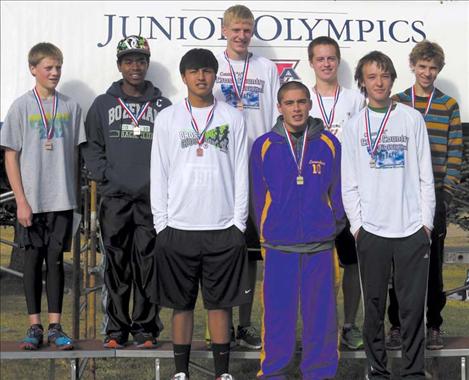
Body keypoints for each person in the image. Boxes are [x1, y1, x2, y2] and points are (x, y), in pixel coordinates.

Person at [150, 48, 250, 380]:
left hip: (222, 227)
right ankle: (181, 372)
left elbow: (240, 173)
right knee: (182, 305)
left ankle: (222, 373)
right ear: (184, 77)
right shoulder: (168, 119)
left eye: (207, 70)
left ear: (214, 75)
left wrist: (238, 223)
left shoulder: (233, 118)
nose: (201, 77)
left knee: (219, 304)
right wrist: (161, 225)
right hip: (178, 227)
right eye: (194, 71)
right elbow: (159, 173)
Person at [342, 51, 435, 379]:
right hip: (372, 232)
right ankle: (377, 371)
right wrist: (358, 227)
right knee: (374, 310)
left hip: (411, 230)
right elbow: (348, 183)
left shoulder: (411, 119)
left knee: (411, 311)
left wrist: (425, 224)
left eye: (384, 75)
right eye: (371, 77)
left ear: (392, 78)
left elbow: (426, 176)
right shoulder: (353, 126)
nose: (378, 82)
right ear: (362, 82)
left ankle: (413, 372)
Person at [251, 81, 344, 379]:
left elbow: (339, 193)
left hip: (320, 248)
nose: (296, 108)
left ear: (310, 105)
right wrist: (269, 231)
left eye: (302, 102)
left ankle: (320, 374)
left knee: (322, 320)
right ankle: (275, 373)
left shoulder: (329, 143)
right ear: (279, 107)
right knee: (278, 319)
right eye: (290, 103)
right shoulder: (264, 145)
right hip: (280, 249)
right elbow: (257, 197)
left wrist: (330, 225)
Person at [81, 35, 170, 349]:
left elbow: (171, 149)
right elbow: (92, 147)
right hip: (116, 199)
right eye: (129, 61)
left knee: (149, 264)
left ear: (147, 64)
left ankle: (145, 328)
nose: (136, 66)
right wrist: (105, 175)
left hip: (151, 200)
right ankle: (115, 330)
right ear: (119, 65)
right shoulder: (104, 104)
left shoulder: (162, 105)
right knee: (116, 264)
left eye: (141, 60)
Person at [2, 42, 85, 350]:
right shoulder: (21, 106)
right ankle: (33, 326)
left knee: (56, 261)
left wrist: (74, 199)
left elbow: (76, 155)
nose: (54, 73)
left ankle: (54, 326)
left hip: (62, 200)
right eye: (48, 68)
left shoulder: (70, 107)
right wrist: (21, 201)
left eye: (58, 67)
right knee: (33, 261)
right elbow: (11, 155)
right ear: (33, 69)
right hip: (31, 202)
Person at [385, 40, 463, 351]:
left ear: (438, 70)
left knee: (433, 266)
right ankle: (396, 324)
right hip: (401, 197)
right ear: (412, 66)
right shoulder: (397, 101)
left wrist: (445, 192)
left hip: (435, 197)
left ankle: (434, 326)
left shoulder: (448, 106)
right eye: (422, 67)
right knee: (398, 265)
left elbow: (455, 152)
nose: (427, 73)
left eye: (432, 68)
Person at [213, 4, 281, 350]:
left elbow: (275, 117)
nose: (241, 36)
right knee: (223, 250)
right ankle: (219, 322)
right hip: (222, 170)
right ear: (224, 30)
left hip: (258, 169)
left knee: (253, 253)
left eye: (247, 30)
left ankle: (246, 324)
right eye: (235, 29)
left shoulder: (266, 68)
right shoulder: (212, 68)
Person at [307, 36, 365, 350]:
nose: (327, 64)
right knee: (318, 264)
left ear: (338, 61)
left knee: (352, 262)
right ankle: (322, 324)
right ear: (311, 63)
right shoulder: (305, 99)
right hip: (316, 194)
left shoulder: (355, 100)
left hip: (348, 193)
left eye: (331, 58)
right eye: (320, 59)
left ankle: (350, 324)